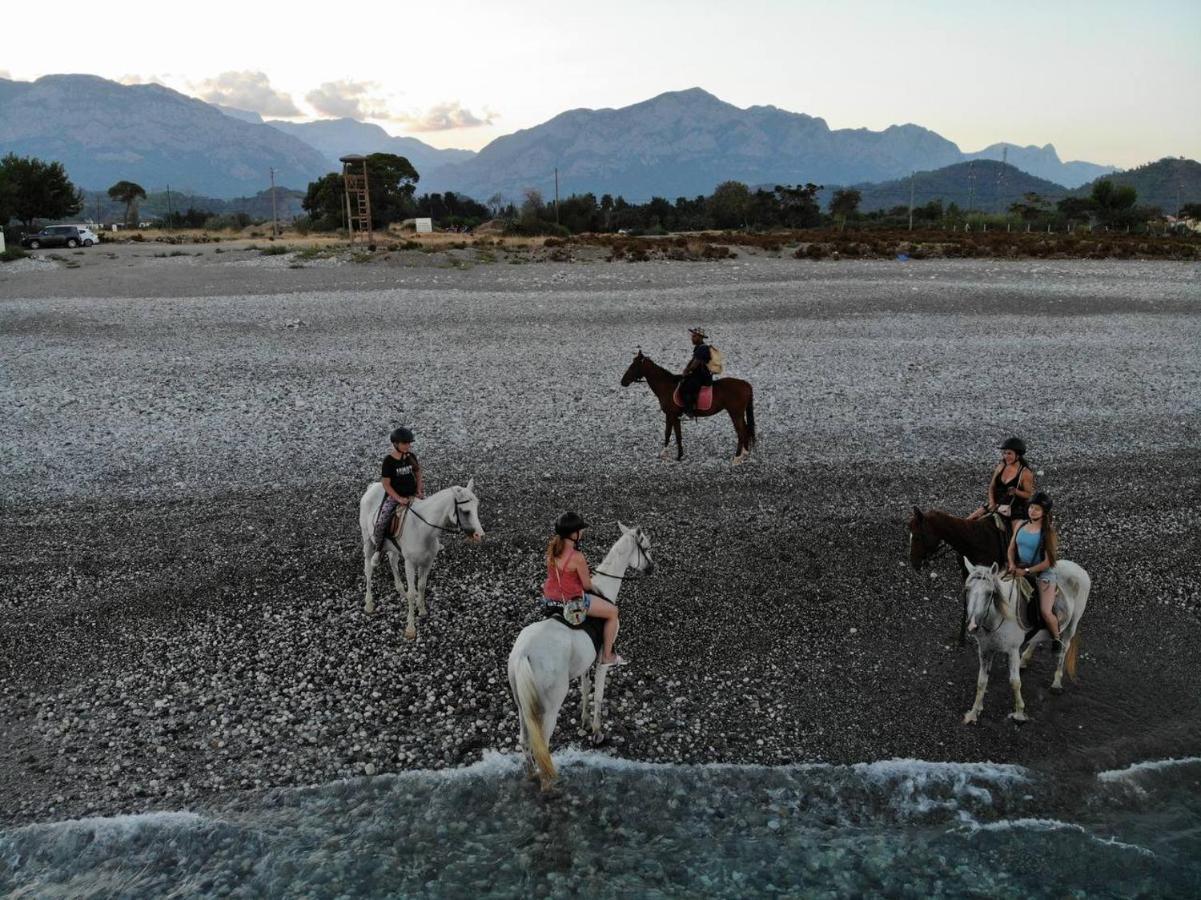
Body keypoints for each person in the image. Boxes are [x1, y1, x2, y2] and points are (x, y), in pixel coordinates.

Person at [542, 512, 626, 666]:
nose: (583, 532)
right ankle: (607, 656)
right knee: (613, 612)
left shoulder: (552, 550)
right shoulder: (577, 556)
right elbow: (587, 585)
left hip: (550, 599)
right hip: (570, 600)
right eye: (580, 530)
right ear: (573, 534)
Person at [1007, 491, 1063, 656]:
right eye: (1031, 507)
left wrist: (1025, 571)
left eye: (1037, 509)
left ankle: (1057, 639)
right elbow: (1011, 548)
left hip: (1042, 574)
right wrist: (1011, 564)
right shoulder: (1021, 525)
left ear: (1044, 512)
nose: (1032, 511)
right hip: (1019, 568)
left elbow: (1048, 562)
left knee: (1045, 611)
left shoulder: (1048, 532)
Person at [371, 427, 424, 561]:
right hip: (395, 497)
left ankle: (431, 543)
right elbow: (386, 484)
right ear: (396, 444)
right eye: (405, 443)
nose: (408, 446)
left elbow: (418, 474)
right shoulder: (388, 461)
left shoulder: (411, 457)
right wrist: (399, 498)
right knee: (381, 522)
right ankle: (379, 548)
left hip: (413, 495)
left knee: (432, 513)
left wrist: (419, 490)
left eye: (409, 443)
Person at [968, 437, 1035, 527]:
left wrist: (1016, 491)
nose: (1005, 456)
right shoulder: (1001, 466)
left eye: (1009, 453)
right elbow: (992, 486)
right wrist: (991, 502)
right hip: (996, 504)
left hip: (1014, 509)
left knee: (1016, 533)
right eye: (1004, 453)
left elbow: (1028, 494)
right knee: (968, 521)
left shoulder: (1025, 473)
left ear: (1018, 455)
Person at [680, 327, 714, 414]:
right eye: (692, 336)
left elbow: (695, 364)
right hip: (699, 375)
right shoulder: (699, 348)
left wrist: (687, 371)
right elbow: (692, 361)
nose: (692, 338)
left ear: (700, 337)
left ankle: (690, 410)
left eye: (694, 336)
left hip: (702, 376)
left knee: (685, 388)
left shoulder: (702, 348)